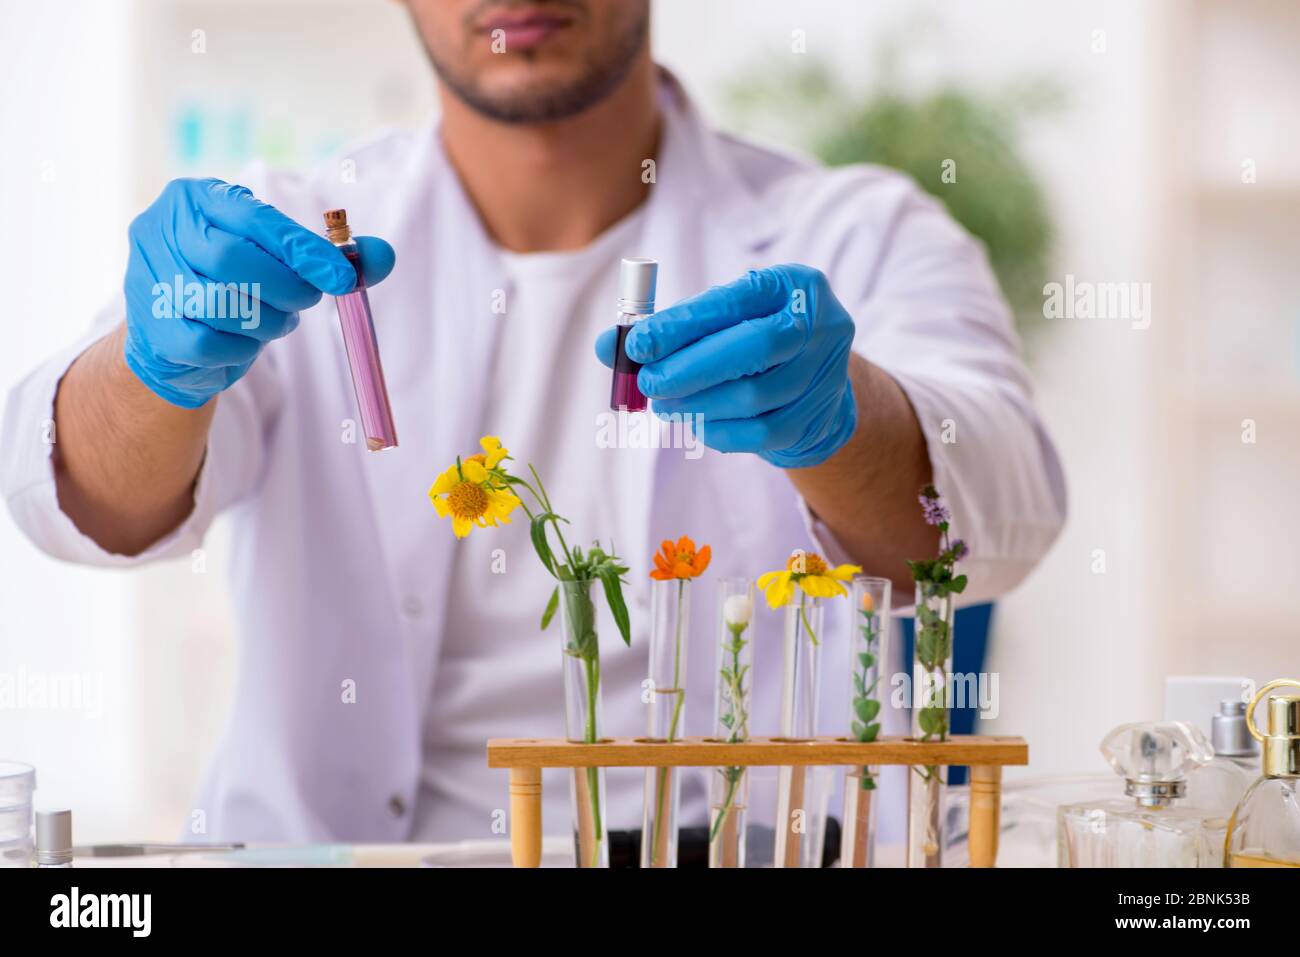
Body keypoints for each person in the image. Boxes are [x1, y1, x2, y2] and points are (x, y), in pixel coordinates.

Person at [0, 0, 1066, 847]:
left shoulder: (860, 231)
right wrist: (155, 372)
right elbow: (82, 506)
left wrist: (845, 423)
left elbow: (1002, 513)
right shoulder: (286, 231)